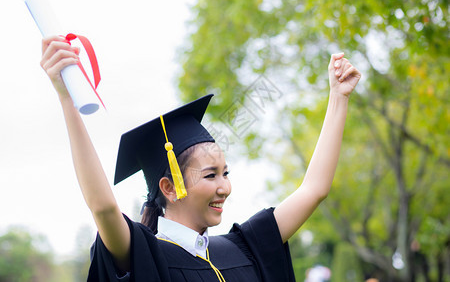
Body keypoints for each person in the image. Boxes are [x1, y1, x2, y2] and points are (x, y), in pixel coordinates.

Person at [40, 35, 361, 282]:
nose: (225, 187)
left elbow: (314, 189)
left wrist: (338, 97)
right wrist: (67, 99)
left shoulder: (243, 247)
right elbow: (104, 207)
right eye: (211, 176)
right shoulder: (146, 256)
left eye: (225, 173)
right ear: (168, 187)